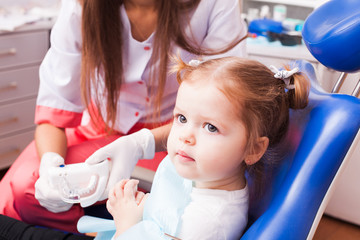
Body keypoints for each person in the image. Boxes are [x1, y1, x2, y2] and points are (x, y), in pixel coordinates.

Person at [0, 0, 247, 233]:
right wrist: (51, 164)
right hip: (96, 130)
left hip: (169, 137)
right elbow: (54, 110)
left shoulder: (214, 5)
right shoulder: (82, 5)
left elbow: (223, 107)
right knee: (25, 188)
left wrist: (142, 143)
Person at [99, 56, 310, 239]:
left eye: (211, 127)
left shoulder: (207, 224)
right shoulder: (203, 175)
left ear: (253, 149)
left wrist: (127, 224)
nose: (185, 137)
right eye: (181, 118)